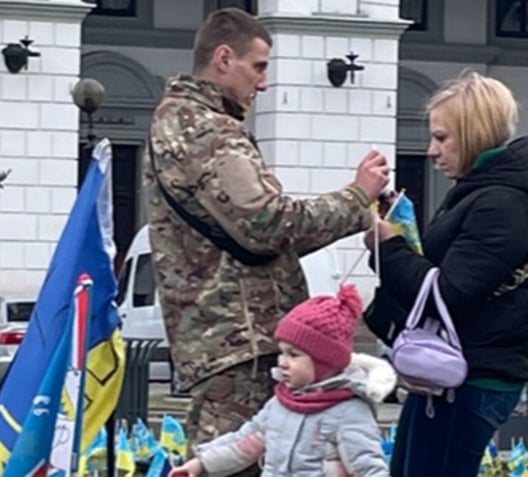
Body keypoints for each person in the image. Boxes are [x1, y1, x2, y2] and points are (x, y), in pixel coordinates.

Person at [143, 7, 390, 471]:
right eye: (258, 67)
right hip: (240, 338)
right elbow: (268, 225)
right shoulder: (208, 130)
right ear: (222, 59)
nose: (263, 83)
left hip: (222, 336)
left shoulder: (183, 121)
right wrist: (358, 198)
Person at [364, 71, 528, 477]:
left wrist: (389, 246)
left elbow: (448, 293)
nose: (431, 151)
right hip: (453, 374)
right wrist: (390, 243)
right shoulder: (485, 191)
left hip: (469, 378)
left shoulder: (502, 203)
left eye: (442, 138)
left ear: (473, 133)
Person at [170, 285, 395, 477]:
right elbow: (244, 443)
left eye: (294, 355)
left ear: (323, 362)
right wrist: (201, 463)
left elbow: (367, 466)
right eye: (282, 352)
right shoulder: (279, 405)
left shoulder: (348, 412)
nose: (283, 362)